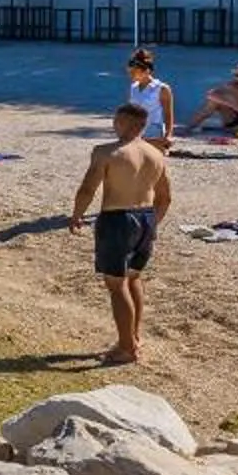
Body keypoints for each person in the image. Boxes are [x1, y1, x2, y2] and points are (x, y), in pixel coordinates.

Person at [69, 102, 174, 365]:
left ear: (124, 123)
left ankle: (127, 348)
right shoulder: (156, 154)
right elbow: (165, 198)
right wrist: (153, 225)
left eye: (116, 120)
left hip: (117, 219)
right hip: (146, 218)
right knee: (133, 278)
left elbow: (87, 188)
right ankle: (133, 337)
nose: (113, 124)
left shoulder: (106, 152)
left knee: (116, 285)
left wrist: (77, 214)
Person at [123, 48, 176, 148]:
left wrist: (168, 135)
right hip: (135, 129)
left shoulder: (162, 88)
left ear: (146, 71)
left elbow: (168, 115)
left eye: (134, 72)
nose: (131, 75)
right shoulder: (133, 87)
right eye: (130, 72)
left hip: (153, 130)